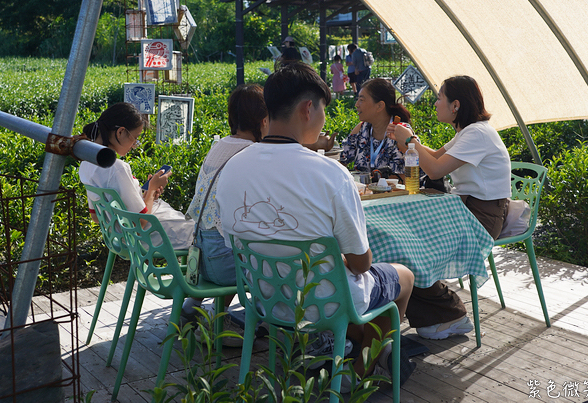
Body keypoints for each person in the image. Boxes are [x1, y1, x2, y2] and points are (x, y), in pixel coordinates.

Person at [216, 63, 415, 384]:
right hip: (325, 304)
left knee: (341, 276)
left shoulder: (232, 169)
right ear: (309, 109)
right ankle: (359, 371)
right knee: (403, 276)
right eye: (324, 110)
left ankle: (340, 346)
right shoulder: (328, 173)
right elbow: (362, 264)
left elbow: (235, 244)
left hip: (267, 301)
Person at [389, 75, 511, 340]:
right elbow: (434, 156)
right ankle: (440, 313)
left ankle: (451, 313)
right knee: (404, 241)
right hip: (466, 210)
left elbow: (433, 169)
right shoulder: (469, 132)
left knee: (410, 248)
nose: (435, 103)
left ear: (455, 105)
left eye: (439, 98)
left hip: (482, 217)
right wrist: (411, 141)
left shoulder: (478, 133)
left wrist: (410, 141)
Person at [180, 84, 269, 332]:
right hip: (222, 263)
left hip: (198, 258)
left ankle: (201, 306)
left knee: (232, 235)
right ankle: (268, 320)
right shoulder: (252, 153)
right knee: (276, 256)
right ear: (263, 120)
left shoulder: (219, 146)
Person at [79, 103, 193, 247]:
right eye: (135, 138)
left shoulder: (86, 164)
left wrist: (146, 195)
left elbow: (95, 217)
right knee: (197, 234)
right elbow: (140, 222)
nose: (134, 145)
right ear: (120, 132)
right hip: (141, 236)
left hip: (116, 237)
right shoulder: (116, 168)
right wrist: (151, 190)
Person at [340, 78, 411, 180]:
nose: (356, 105)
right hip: (364, 194)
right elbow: (342, 162)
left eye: (362, 100)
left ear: (380, 106)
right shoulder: (361, 129)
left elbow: (408, 177)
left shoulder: (400, 132)